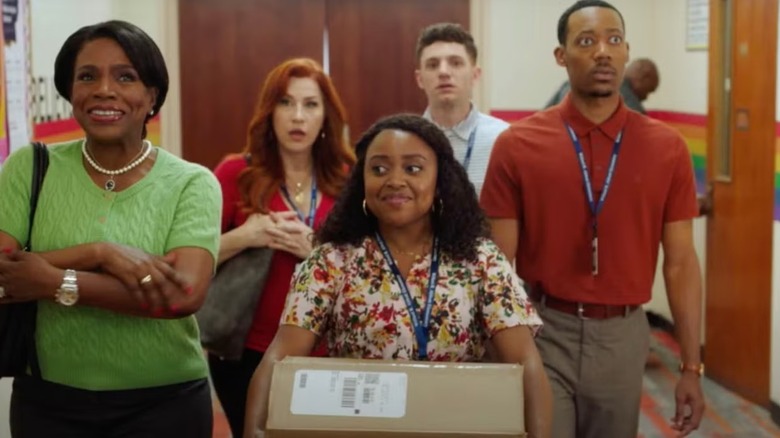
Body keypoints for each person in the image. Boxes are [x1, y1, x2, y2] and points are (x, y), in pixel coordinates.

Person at [244, 114, 553, 438]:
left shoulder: (480, 259)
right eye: (378, 169)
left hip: (458, 426)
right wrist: (254, 430)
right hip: (358, 430)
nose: (394, 180)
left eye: (413, 168)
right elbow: (279, 358)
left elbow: (525, 362)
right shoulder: (332, 260)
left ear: (440, 181)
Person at [480, 2, 705, 437]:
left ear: (626, 52)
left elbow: (680, 263)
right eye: (586, 41)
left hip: (624, 336)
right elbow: (497, 264)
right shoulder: (519, 144)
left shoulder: (667, 148)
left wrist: (691, 366)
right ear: (561, 56)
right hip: (543, 329)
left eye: (613, 40)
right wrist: (497, 349)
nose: (603, 51)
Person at [0, 20, 221, 437]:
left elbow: (181, 294)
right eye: (87, 76)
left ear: (152, 95)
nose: (104, 89)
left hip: (166, 404)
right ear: (70, 92)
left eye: (126, 77)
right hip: (48, 403)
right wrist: (98, 253)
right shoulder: (29, 167)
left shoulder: (192, 183)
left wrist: (53, 281)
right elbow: (2, 274)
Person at [208, 57, 355, 438]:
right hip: (247, 353)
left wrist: (318, 252)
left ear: (326, 116)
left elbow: (374, 271)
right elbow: (192, 258)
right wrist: (246, 236)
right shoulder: (234, 173)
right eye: (286, 103)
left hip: (330, 350)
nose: (297, 117)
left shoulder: (348, 180)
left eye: (310, 105)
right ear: (269, 111)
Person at [415, 22, 508, 195]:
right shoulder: (406, 139)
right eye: (433, 65)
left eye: (456, 63)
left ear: (475, 75)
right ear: (420, 79)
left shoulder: (504, 138)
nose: (443, 72)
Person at [545, 57, 659, 114]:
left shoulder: (573, 82)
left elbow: (542, 117)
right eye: (649, 91)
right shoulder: (633, 107)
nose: (646, 97)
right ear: (644, 77)